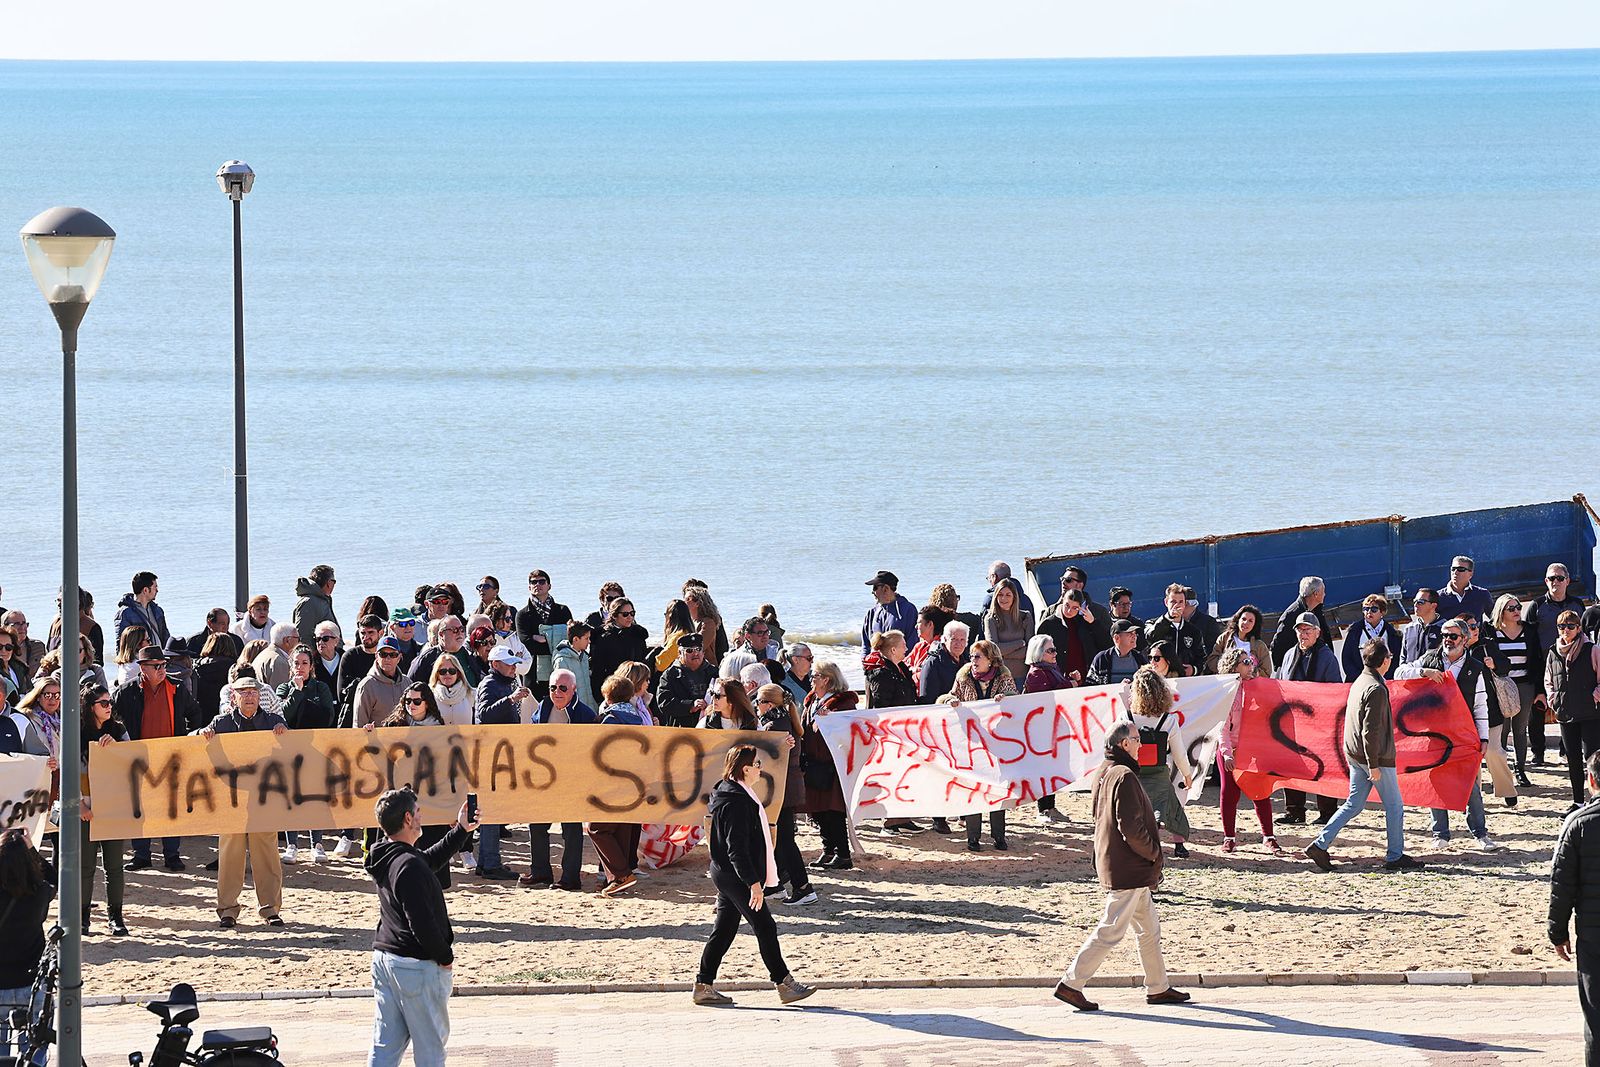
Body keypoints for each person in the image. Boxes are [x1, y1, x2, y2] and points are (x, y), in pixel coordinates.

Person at [1052, 721, 1189, 1013]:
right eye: (1137, 740)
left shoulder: (1105, 771)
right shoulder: (1123, 775)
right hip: (1128, 867)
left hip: (1120, 863)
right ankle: (1071, 984)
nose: (1141, 744)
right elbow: (1131, 827)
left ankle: (1158, 986)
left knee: (1149, 930)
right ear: (1124, 744)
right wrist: (1153, 853)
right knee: (1111, 930)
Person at [692, 744, 816, 1008]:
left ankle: (703, 985)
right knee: (765, 926)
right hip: (734, 875)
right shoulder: (736, 801)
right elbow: (736, 848)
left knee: (724, 930)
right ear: (745, 769)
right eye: (757, 764)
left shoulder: (731, 790)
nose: (760, 768)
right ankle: (784, 984)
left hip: (725, 872)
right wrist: (753, 884)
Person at [366, 788, 476, 1067]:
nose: (421, 817)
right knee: (430, 1051)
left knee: (385, 1046)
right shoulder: (408, 865)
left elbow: (428, 860)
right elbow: (422, 924)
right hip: (413, 966)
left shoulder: (386, 854)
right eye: (417, 813)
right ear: (407, 818)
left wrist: (461, 829)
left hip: (385, 959)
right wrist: (445, 958)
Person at [1304, 639, 1424, 873]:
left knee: (1354, 804)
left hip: (1356, 754)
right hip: (1373, 758)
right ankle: (1395, 855)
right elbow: (1371, 731)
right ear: (1385, 661)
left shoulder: (1362, 681)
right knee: (1395, 807)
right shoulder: (1375, 688)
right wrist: (1374, 765)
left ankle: (1320, 844)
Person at [1396, 617, 1501, 851]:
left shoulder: (1476, 667)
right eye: (1444, 635)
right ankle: (1440, 833)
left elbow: (1480, 705)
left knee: (1470, 784)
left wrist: (1483, 738)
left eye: (1452, 636)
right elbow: (1400, 671)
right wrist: (1423, 672)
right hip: (1434, 734)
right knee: (1437, 782)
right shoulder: (1431, 658)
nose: (1447, 640)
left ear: (1464, 639)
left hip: (1463, 735)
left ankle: (1480, 833)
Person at [195, 677, 288, 927]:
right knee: (230, 855)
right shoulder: (221, 723)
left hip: (264, 800)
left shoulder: (273, 722)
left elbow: (291, 754)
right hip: (231, 802)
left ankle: (270, 909)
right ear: (233, 696)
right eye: (243, 692)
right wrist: (202, 734)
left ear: (260, 695)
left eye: (253, 692)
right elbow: (195, 745)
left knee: (267, 854)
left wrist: (284, 735)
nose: (249, 696)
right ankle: (227, 909)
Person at [115, 644, 201, 870]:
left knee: (170, 808)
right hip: (138, 758)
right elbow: (110, 717)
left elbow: (195, 713)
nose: (162, 669)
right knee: (139, 808)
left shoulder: (177, 688)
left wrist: (190, 739)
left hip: (171, 757)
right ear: (143, 668)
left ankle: (172, 855)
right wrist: (118, 743)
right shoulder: (126, 692)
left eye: (164, 665)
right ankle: (141, 855)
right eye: (156, 666)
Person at [523, 668, 597, 890]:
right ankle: (540, 872)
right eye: (553, 687)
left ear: (574, 690)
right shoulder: (542, 709)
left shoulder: (584, 714)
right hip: (543, 780)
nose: (557, 692)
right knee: (537, 825)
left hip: (571, 781)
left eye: (563, 688)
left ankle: (570, 878)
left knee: (571, 831)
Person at [939, 640, 1016, 850]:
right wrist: (949, 701)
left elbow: (1016, 700)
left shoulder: (1004, 676)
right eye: (972, 656)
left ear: (990, 659)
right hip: (971, 743)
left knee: (997, 788)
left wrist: (1006, 698)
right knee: (974, 789)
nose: (973, 661)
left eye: (978, 656)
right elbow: (947, 696)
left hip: (997, 742)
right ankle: (973, 838)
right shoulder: (963, 676)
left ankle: (999, 836)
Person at [1549, 750, 1600, 1065]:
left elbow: (1562, 884)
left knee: (1596, 1021)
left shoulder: (1578, 825)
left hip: (1594, 937)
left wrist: (1557, 931)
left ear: (1591, 781)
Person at [1274, 612, 1341, 826]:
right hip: (1292, 723)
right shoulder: (1289, 655)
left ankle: (1327, 812)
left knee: (1324, 767)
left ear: (1318, 632)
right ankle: (1294, 811)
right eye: (1300, 630)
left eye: (1307, 630)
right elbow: (1280, 685)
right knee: (1291, 765)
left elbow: (1333, 690)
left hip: (1320, 723)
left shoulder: (1327, 656)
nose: (1303, 634)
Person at [1214, 649, 1283, 856]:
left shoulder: (1259, 688)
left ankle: (1269, 836)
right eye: (1245, 662)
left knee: (1260, 792)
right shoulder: (1227, 692)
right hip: (1232, 749)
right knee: (1229, 793)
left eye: (1251, 661)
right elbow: (1222, 727)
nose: (1251, 665)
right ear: (1234, 666)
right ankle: (1229, 837)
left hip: (1253, 749)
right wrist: (1227, 753)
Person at [472, 646, 532, 881]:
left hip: (499, 753)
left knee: (493, 810)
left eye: (514, 664)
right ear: (495, 664)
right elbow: (484, 715)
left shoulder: (503, 683)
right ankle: (489, 863)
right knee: (490, 810)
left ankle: (488, 862)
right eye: (509, 664)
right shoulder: (490, 684)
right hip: (491, 755)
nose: (513, 667)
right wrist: (511, 699)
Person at [1123, 666, 1194, 857]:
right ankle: (1179, 845)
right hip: (1159, 773)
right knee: (1171, 807)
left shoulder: (1126, 718)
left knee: (1134, 809)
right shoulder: (1168, 720)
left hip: (1133, 773)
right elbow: (1179, 753)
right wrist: (1187, 775)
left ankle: (1138, 845)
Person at [76, 682, 129, 935]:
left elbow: (132, 763)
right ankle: (83, 918)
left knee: (114, 866)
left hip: (113, 806)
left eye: (110, 702)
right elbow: (67, 774)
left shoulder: (118, 730)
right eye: (103, 703)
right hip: (86, 806)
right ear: (90, 707)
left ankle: (115, 917)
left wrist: (117, 749)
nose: (109, 707)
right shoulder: (76, 733)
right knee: (86, 867)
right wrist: (79, 805)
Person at [278, 645, 338, 863]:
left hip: (315, 749)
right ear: (291, 666)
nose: (300, 667)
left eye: (304, 663)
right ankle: (292, 844)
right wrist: (297, 691)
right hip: (290, 750)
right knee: (291, 797)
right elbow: (283, 716)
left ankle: (317, 844)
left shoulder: (321, 687)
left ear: (311, 666)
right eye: (296, 663)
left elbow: (328, 717)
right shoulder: (284, 688)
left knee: (316, 797)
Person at [587, 676, 646, 897]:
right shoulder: (638, 717)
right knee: (622, 828)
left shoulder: (610, 718)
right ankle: (618, 877)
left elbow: (603, 751)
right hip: (634, 781)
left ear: (607, 695)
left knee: (597, 828)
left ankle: (621, 875)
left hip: (612, 780)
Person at [755, 682, 812, 905]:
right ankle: (776, 884)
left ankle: (803, 887)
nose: (756, 705)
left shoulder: (773, 726)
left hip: (781, 790)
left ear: (768, 704)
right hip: (789, 788)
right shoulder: (784, 720)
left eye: (758, 701)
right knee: (780, 839)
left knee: (785, 840)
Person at [0, 829, 55, 1058]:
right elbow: (55, 877)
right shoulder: (40, 893)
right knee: (32, 1052)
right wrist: (32, 849)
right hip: (31, 985)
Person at [800, 662, 856, 870]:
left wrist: (832, 720)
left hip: (833, 764)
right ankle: (828, 850)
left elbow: (848, 731)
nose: (811, 678)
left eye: (815, 675)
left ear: (826, 679)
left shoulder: (842, 704)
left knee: (833, 810)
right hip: (814, 762)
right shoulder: (813, 700)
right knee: (818, 809)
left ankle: (843, 854)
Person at [1529, 565, 1585, 767]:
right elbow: (1530, 639)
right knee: (1537, 708)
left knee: (1568, 707)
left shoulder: (1577, 605)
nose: (1556, 582)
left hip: (1571, 666)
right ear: (1546, 581)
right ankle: (1538, 753)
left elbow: (1584, 636)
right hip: (1541, 663)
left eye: (1560, 578)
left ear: (1568, 581)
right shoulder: (1537, 606)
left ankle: (1566, 751)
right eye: (1552, 578)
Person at [1545, 611, 1600, 812]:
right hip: (1566, 713)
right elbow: (1548, 679)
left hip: (1590, 713)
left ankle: (1596, 801)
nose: (1566, 630)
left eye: (1570, 626)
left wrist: (1594, 696)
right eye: (1561, 626)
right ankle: (1578, 801)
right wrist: (1554, 700)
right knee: (1573, 758)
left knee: (1593, 758)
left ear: (1578, 628)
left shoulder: (1591, 649)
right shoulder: (1553, 651)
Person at [1494, 593, 1538, 787]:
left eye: (1518, 607)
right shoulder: (1491, 631)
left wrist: (1539, 689)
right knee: (1502, 729)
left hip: (1524, 685)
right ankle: (1501, 772)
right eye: (1511, 608)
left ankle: (1520, 769)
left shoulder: (1528, 630)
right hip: (1501, 686)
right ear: (1501, 611)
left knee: (1520, 729)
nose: (1517, 611)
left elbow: (1537, 659)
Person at [516, 569, 574, 700]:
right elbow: (526, 643)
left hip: (560, 667)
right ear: (529, 587)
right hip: (533, 672)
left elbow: (568, 639)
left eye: (541, 581)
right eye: (533, 582)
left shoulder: (563, 610)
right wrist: (553, 638)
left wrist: (543, 638)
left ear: (549, 586)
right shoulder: (522, 614)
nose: (537, 585)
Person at [1036, 589, 1107, 686]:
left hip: (1086, 676)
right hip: (1059, 678)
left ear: (1081, 607)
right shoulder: (1048, 624)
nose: (1069, 611)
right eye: (1067, 605)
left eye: (1075, 608)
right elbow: (1038, 655)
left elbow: (1106, 644)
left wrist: (1093, 622)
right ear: (1062, 601)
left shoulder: (1085, 622)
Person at [588, 598, 648, 705]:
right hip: (614, 691)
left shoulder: (638, 635)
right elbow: (597, 670)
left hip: (637, 690)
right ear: (615, 615)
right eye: (625, 614)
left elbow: (642, 662)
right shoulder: (603, 638)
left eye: (632, 613)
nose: (630, 617)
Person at [1270, 576, 1335, 670]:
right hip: (1297, 672)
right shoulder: (1291, 615)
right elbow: (1277, 647)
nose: (1324, 594)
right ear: (1316, 594)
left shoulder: (1317, 610)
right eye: (1323, 591)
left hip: (1317, 666)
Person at [1145, 584, 1206, 676]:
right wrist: (1168, 618)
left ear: (1185, 604)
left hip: (1183, 680)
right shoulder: (1153, 623)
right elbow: (1150, 637)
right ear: (1166, 602)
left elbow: (1201, 657)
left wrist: (1194, 669)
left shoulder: (1193, 631)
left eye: (1181, 602)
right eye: (1173, 602)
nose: (1177, 605)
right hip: (1159, 678)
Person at [657, 632, 717, 727]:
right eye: (689, 650)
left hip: (710, 725)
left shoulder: (714, 672)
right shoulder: (670, 674)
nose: (695, 653)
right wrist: (690, 706)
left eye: (698, 649)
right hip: (681, 726)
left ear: (703, 652)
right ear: (680, 653)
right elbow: (663, 703)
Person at [1340, 594, 1403, 681]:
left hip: (1386, 682)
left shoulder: (1393, 634)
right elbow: (1346, 658)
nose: (1369, 612)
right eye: (1365, 609)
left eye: (1374, 609)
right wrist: (1360, 678)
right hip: (1359, 681)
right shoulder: (1354, 631)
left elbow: (1397, 659)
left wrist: (1385, 679)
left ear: (1382, 612)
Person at [354, 638, 411, 731]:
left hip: (404, 742)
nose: (388, 659)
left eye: (393, 655)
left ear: (399, 657)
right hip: (377, 743)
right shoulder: (366, 686)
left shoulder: (407, 682)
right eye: (383, 654)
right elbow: (359, 725)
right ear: (376, 656)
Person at [982, 581, 1034, 681]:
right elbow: (993, 650)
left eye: (1008, 595)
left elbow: (1030, 650)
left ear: (1014, 597)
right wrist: (1020, 643)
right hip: (1000, 677)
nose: (1003, 598)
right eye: (1000, 595)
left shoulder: (1025, 616)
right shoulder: (990, 619)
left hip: (1023, 676)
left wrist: (1004, 654)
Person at [1206, 604, 1273, 678]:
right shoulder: (1224, 638)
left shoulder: (1260, 646)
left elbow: (1267, 672)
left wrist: (1250, 672)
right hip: (1228, 683)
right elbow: (1212, 661)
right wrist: (1227, 669)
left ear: (1255, 625)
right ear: (1238, 620)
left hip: (1252, 685)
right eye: (1243, 619)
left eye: (1250, 621)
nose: (1245, 623)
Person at [861, 570, 917, 653]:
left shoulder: (908, 610)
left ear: (886, 588)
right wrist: (866, 663)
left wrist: (901, 665)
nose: (873, 592)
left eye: (875, 587)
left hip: (898, 664)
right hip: (875, 665)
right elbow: (866, 645)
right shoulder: (872, 613)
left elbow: (912, 644)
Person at [114, 570, 170, 648]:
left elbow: (166, 636)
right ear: (145, 590)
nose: (157, 590)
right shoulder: (125, 613)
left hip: (160, 658)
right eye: (155, 587)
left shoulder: (158, 610)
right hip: (140, 659)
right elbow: (121, 642)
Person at [918, 621, 970, 703]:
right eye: (954, 639)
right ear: (945, 639)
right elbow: (927, 699)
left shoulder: (968, 661)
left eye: (962, 639)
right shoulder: (933, 663)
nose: (958, 643)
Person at [863, 631, 917, 709]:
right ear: (893, 650)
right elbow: (880, 707)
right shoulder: (882, 675)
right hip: (893, 719)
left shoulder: (901, 666)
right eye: (904, 645)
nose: (906, 649)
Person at [1088, 620, 1149, 685]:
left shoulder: (1139, 658)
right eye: (1130, 634)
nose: (1134, 637)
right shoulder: (1101, 659)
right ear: (1117, 638)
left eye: (1135, 634)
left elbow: (1148, 685)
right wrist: (1118, 688)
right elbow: (1090, 685)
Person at [551, 620, 594, 712]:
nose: (589, 641)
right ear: (575, 639)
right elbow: (560, 691)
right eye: (586, 638)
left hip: (588, 709)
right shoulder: (562, 661)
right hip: (573, 712)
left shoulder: (584, 657)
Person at [292, 564, 338, 647]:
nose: (334, 585)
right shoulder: (309, 602)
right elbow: (303, 635)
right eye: (334, 581)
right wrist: (312, 657)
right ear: (329, 582)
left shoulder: (321, 600)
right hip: (317, 657)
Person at [1437, 554, 1493, 621]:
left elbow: (1495, 619)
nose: (1455, 572)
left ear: (1471, 573)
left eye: (1460, 569)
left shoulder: (1482, 594)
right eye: (1453, 569)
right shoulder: (1438, 597)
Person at [253, 623, 298, 692]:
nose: (299, 642)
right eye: (297, 638)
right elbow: (280, 696)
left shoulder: (263, 654)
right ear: (287, 640)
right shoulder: (279, 662)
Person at [2, 611, 45, 681]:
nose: (22, 628)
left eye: (24, 623)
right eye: (17, 624)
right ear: (5, 627)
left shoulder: (38, 646)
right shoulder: (3, 650)